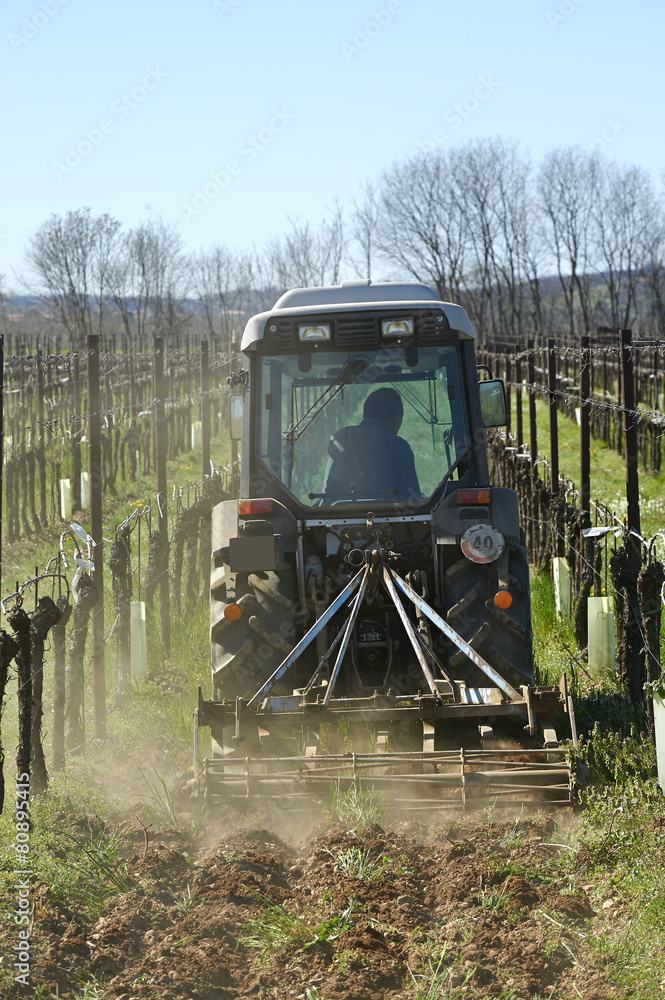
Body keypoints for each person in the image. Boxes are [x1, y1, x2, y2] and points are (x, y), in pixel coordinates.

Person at [321, 387, 422, 503]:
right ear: (396, 419)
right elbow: (412, 501)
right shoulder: (401, 446)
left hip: (338, 519)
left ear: (365, 414)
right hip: (391, 520)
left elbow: (327, 495)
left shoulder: (339, 439)